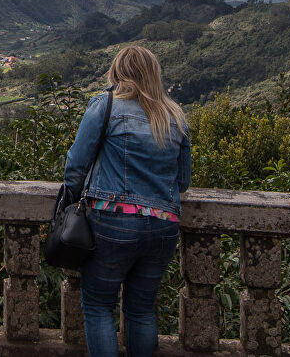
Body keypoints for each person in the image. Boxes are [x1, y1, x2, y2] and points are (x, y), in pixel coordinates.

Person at [62, 45, 192, 357]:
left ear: (117, 72)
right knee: (142, 309)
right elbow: (183, 182)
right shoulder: (175, 117)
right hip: (163, 225)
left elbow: (76, 166)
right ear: (154, 74)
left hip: (112, 219)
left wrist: (71, 202)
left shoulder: (105, 106)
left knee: (98, 306)